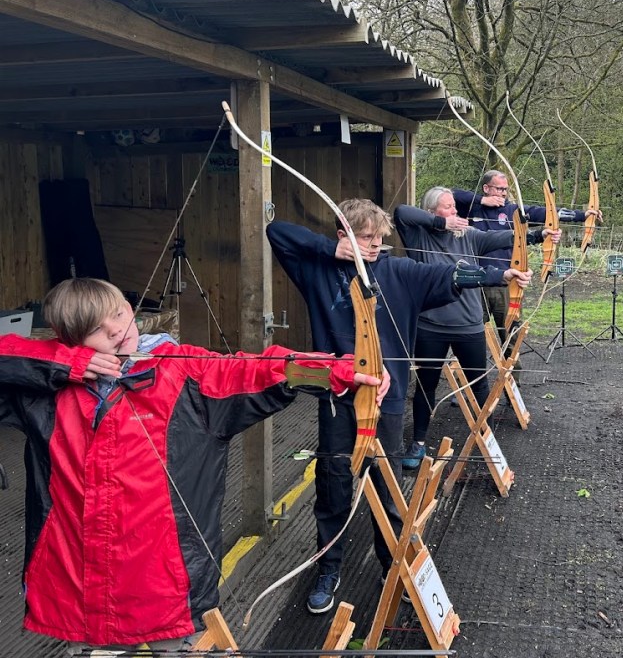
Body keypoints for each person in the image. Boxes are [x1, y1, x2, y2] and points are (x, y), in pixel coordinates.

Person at [0, 277, 385, 657]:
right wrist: (61, 363)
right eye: (96, 329)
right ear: (69, 340)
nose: (117, 330)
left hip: (168, 594)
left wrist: (343, 372)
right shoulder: (45, 394)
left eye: (119, 314)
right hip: (79, 597)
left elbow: (264, 370)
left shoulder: (187, 377)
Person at [266, 198, 531, 615]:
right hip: (336, 398)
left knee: (386, 484)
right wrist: (330, 251)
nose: (373, 246)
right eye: (364, 238)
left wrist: (502, 273)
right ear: (344, 236)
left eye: (378, 238)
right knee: (333, 482)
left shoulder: (398, 272)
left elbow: (450, 273)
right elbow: (276, 231)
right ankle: (328, 568)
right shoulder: (316, 269)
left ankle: (392, 565)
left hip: (386, 400)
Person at [394, 187, 558, 469]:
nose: (455, 211)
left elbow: (504, 236)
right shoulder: (418, 235)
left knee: (479, 384)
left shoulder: (468, 236)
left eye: (454, 207)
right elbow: (400, 212)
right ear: (432, 212)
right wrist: (440, 224)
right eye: (448, 208)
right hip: (430, 326)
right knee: (426, 385)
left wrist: (537, 235)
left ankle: (488, 442)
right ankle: (418, 443)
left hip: (468, 325)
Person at [452, 169, 602, 350]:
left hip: (506, 282)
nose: (503, 193)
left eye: (505, 189)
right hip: (475, 283)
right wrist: (482, 200)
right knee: (470, 333)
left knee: (511, 333)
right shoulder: (470, 208)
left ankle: (512, 376)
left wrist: (582, 215)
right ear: (486, 188)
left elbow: (547, 213)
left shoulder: (513, 210)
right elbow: (449, 194)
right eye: (499, 189)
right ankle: (469, 374)